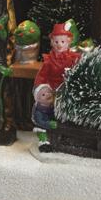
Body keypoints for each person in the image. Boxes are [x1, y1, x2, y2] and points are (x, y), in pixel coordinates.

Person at [32, 22, 82, 150]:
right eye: (56, 42)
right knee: (46, 113)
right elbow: (42, 75)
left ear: (68, 42)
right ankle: (45, 138)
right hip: (51, 91)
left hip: (67, 91)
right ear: (52, 42)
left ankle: (68, 135)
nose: (59, 45)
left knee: (64, 114)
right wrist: (39, 89)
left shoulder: (73, 58)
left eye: (62, 42)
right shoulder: (49, 60)